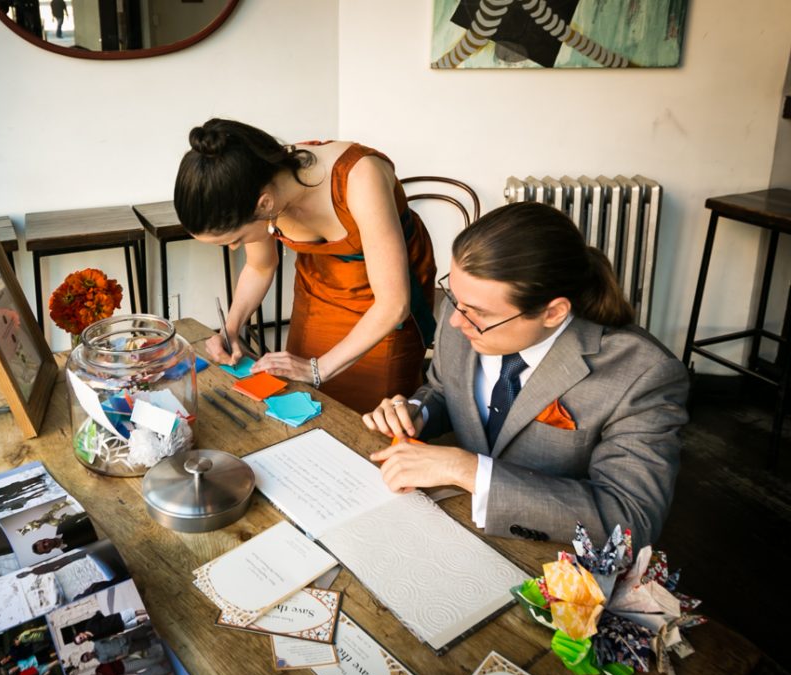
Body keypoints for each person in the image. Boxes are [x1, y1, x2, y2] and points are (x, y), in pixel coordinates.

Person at [363, 202, 688, 551]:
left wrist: (468, 470)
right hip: (452, 527)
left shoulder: (644, 374)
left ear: (553, 312)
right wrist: (417, 410)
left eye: (478, 313)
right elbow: (444, 388)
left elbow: (631, 520)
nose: (456, 321)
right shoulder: (463, 314)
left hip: (552, 556)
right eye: (455, 297)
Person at [174, 118, 437, 413]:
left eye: (235, 239)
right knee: (307, 404)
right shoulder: (254, 185)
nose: (235, 247)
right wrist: (231, 328)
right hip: (318, 292)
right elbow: (260, 266)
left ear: (264, 204)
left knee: (377, 417)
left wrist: (319, 368)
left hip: (385, 306)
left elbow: (393, 305)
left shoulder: (361, 177)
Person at [31, 511, 97, 555]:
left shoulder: (61, 526)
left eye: (43, 541)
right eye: (45, 547)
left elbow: (80, 515)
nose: (47, 543)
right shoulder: (70, 552)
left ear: (44, 538)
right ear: (48, 551)